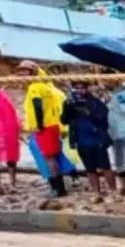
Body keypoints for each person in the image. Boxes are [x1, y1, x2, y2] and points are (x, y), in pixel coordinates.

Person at [20, 62, 68, 197]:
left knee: (49, 158)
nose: (22, 74)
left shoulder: (34, 87)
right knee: (52, 157)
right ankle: (59, 188)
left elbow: (37, 105)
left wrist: (39, 125)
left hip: (45, 126)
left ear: (32, 72)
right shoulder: (46, 86)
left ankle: (58, 189)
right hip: (52, 125)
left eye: (25, 71)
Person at [61, 79, 114, 201]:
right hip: (81, 140)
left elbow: (104, 118)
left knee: (106, 166)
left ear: (87, 88)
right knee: (90, 168)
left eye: (82, 87)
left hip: (97, 139)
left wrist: (89, 112)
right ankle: (96, 193)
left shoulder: (95, 101)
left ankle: (113, 191)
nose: (80, 90)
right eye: (77, 88)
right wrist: (69, 106)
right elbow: (64, 120)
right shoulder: (70, 102)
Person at [0, 89, 17, 193]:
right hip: (10, 130)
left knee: (10, 157)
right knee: (11, 158)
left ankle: (9, 184)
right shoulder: (6, 98)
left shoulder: (4, 99)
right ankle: (12, 183)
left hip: (4, 130)